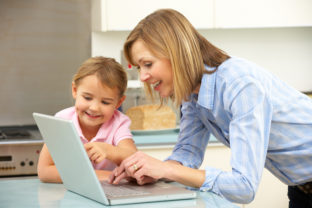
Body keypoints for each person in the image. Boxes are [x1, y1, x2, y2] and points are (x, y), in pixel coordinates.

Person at [108, 9, 312, 207]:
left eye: (148, 64)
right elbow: (187, 154)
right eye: (138, 67)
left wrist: (165, 170)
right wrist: (150, 170)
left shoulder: (240, 85)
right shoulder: (192, 95)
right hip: (300, 188)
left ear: (176, 53)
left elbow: (244, 187)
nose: (142, 76)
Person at [37, 56, 137, 183]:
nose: (94, 108)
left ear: (118, 103)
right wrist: (99, 175)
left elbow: (133, 158)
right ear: (75, 90)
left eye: (105, 102)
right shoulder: (62, 120)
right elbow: (44, 171)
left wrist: (108, 150)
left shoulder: (118, 123)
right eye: (87, 98)